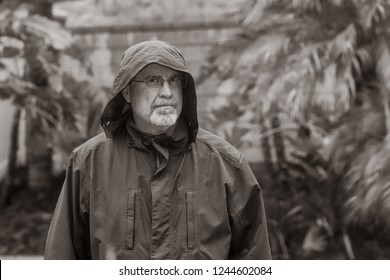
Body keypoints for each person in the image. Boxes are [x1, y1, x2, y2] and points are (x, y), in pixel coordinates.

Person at [44, 40, 271, 260]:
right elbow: (62, 258)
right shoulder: (88, 163)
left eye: (175, 81)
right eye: (153, 81)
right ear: (127, 92)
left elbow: (254, 258)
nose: (167, 92)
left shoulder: (225, 164)